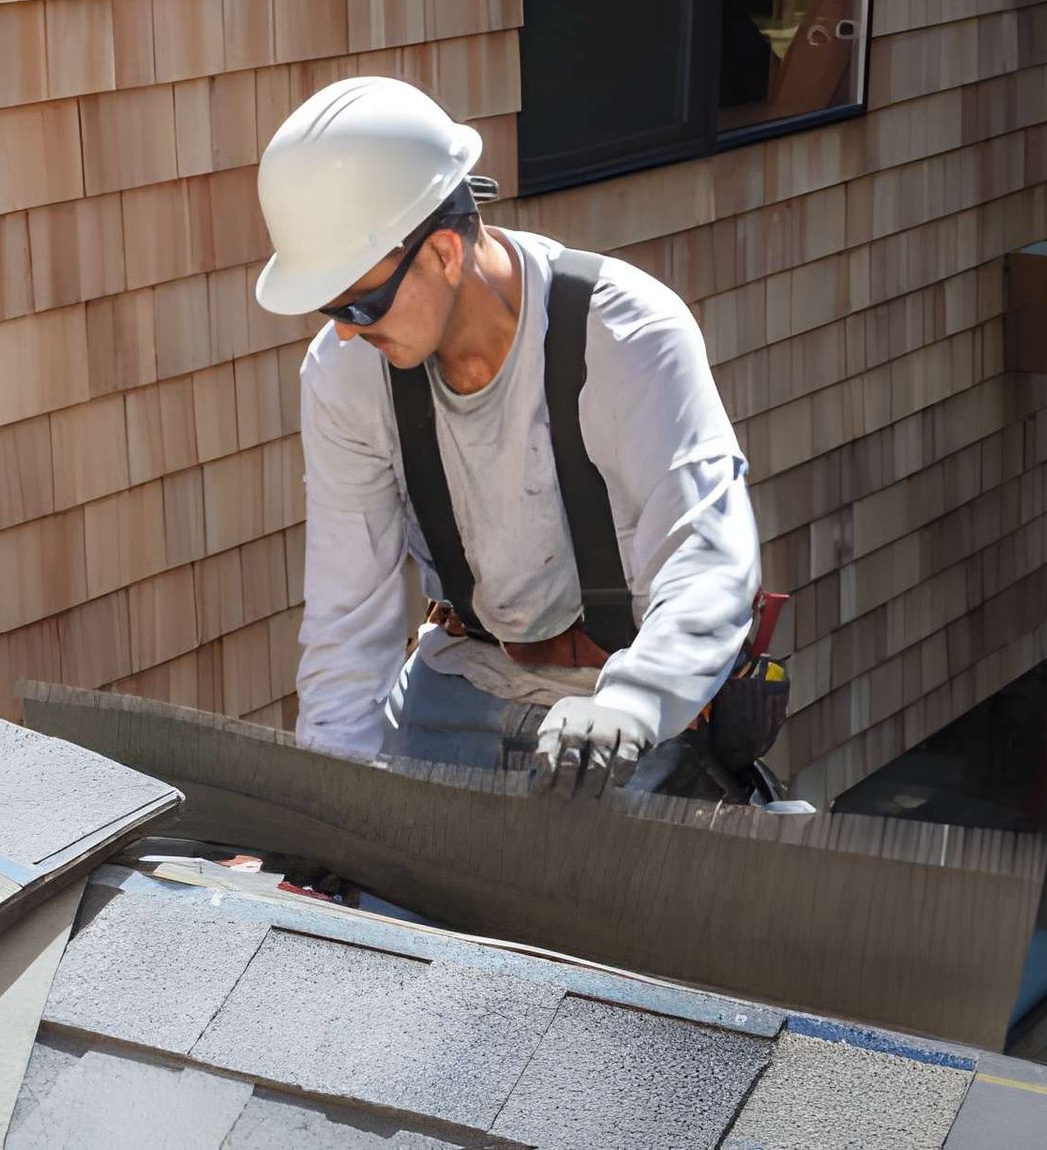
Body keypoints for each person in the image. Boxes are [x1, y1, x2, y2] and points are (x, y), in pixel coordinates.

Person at [255, 76, 776, 796]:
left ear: (442, 252)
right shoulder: (347, 369)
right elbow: (348, 619)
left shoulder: (625, 335)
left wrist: (634, 701)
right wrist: (329, 808)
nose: (346, 328)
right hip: (453, 694)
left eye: (362, 301)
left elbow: (707, 557)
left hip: (621, 715)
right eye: (327, 307)